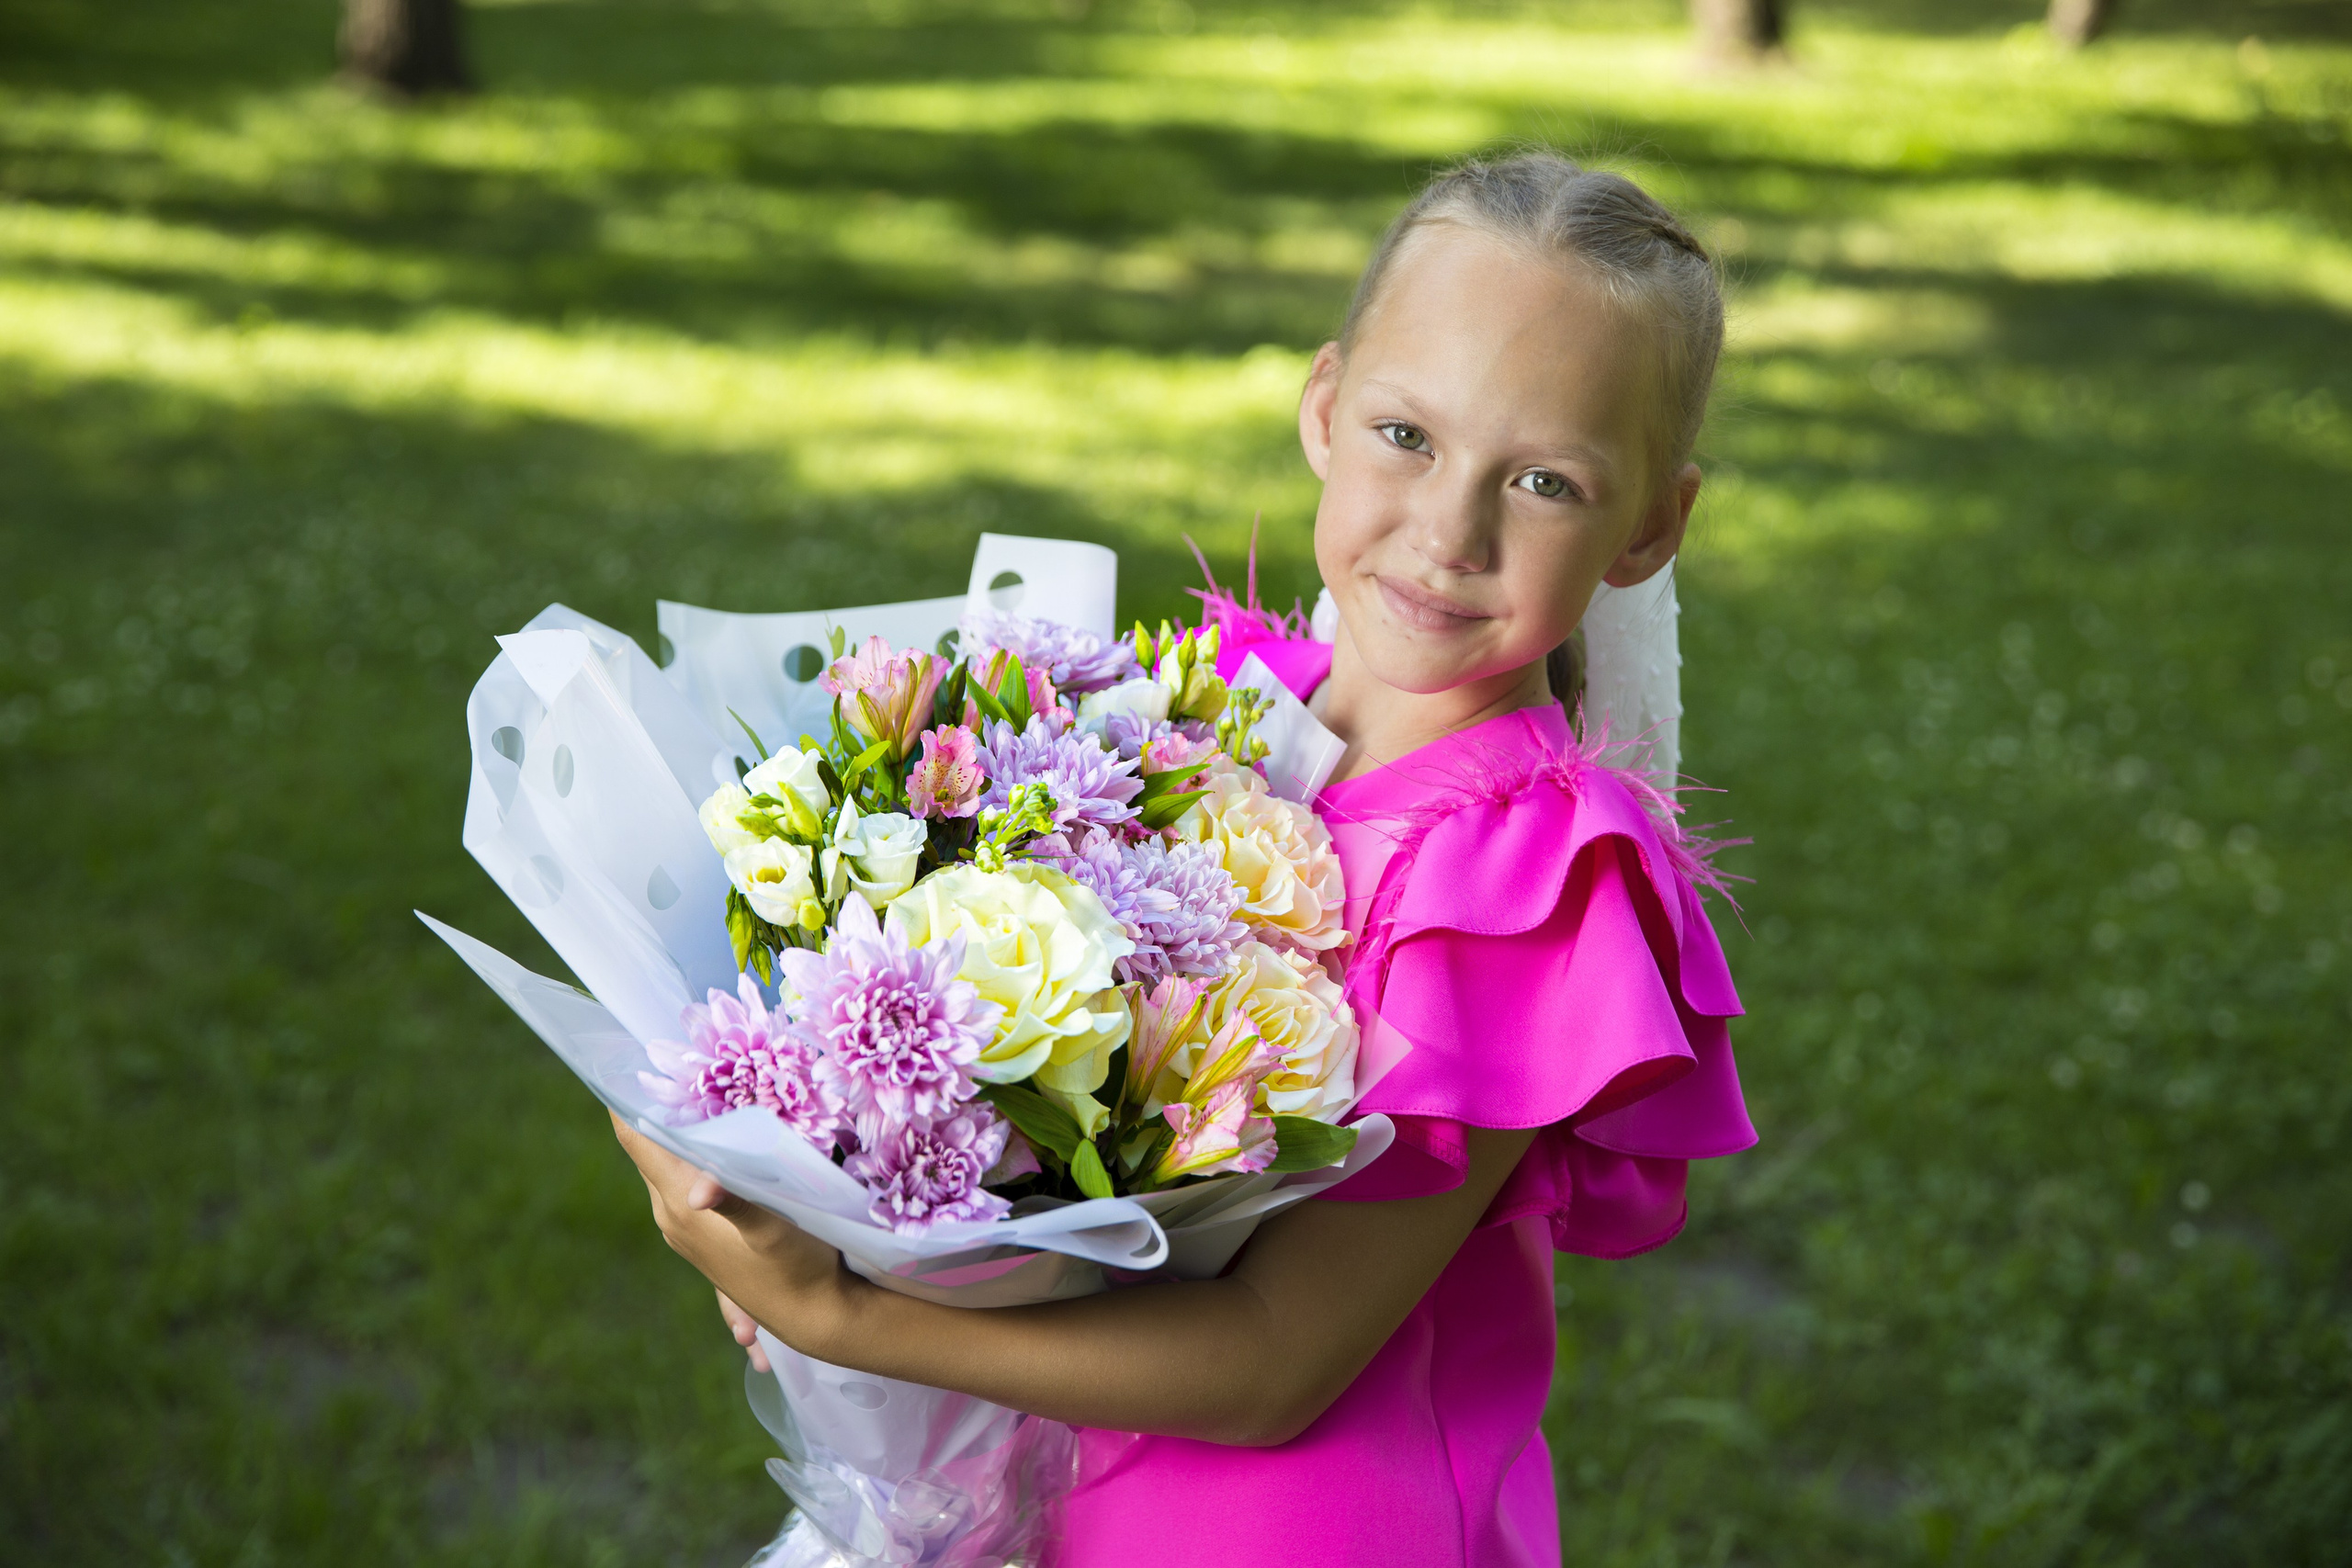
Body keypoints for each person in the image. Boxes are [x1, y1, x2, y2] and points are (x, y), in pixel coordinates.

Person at [612, 150, 1757, 1568]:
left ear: (1651, 525)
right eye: (1408, 435)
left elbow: (1279, 1358)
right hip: (1041, 1479)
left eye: (1542, 481)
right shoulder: (1201, 713)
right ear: (1326, 408)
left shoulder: (1523, 887)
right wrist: (835, 1199)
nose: (1449, 532)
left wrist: (848, 1315)